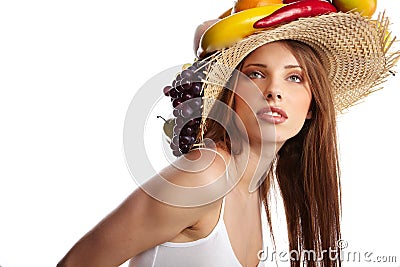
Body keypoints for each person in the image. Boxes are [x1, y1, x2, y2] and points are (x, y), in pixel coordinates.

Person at [57, 1, 399, 266]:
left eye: (294, 77)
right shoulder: (205, 176)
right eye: (255, 74)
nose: (273, 91)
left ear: (311, 106)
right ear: (231, 95)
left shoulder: (253, 189)